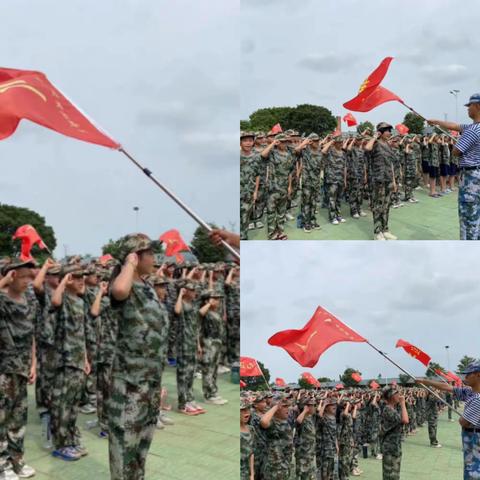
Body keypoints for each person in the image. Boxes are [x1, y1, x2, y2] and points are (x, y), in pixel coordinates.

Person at [108, 233, 169, 479]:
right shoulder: (125, 285)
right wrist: (129, 264)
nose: (155, 258)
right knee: (125, 445)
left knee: (142, 446)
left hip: (150, 380)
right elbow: (120, 290)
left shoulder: (147, 286)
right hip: (130, 381)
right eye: (150, 253)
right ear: (135, 256)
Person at [0, 259, 37, 480]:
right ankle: (2, 464)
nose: (26, 282)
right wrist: (4, 278)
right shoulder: (2, 300)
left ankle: (16, 460)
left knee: (18, 419)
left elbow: (31, 334)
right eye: (22, 277)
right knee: (2, 419)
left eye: (29, 277)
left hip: (22, 369)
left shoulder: (28, 301)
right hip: (4, 369)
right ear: (11, 276)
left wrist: (33, 364)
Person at [428, 93, 480, 239]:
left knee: (468, 218)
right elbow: (456, 126)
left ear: (477, 106)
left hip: (471, 179)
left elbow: (456, 152)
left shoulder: (472, 130)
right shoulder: (473, 127)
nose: (468, 109)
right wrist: (437, 122)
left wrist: (460, 140)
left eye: (470, 106)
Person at [417, 361, 480, 479]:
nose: (465, 377)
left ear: (478, 375)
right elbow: (448, 387)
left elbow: (463, 422)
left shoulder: (478, 399)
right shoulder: (471, 392)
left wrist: (464, 416)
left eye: (469, 374)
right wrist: (425, 381)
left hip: (475, 443)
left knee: (473, 473)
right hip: (471, 443)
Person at [365, 122, 397, 240]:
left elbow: (391, 164)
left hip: (388, 179)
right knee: (378, 206)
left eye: (390, 130)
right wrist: (374, 136)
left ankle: (385, 229)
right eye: (387, 130)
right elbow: (367, 148)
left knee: (386, 206)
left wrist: (393, 180)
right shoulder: (375, 143)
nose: (389, 133)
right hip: (378, 180)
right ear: (381, 132)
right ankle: (377, 232)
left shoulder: (388, 145)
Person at [260, 393, 294, 479]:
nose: (288, 409)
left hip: (285, 466)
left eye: (288, 406)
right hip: (274, 469)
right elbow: (263, 421)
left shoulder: (285, 421)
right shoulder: (273, 422)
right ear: (277, 409)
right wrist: (275, 407)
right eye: (284, 407)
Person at [379, 387, 409, 480]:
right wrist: (403, 403)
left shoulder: (392, 409)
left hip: (394, 447)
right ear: (391, 396)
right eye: (397, 393)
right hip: (390, 448)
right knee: (391, 476)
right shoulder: (388, 410)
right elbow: (405, 420)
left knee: (394, 475)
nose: (399, 395)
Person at [241, 399, 254, 480]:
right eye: (242, 410)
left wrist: (252, 474)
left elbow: (251, 453)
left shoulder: (251, 429)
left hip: (246, 473)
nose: (246, 412)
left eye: (248, 409)